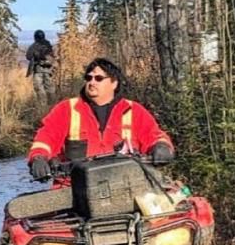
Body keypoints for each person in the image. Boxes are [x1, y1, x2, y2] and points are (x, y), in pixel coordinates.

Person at [26, 57, 174, 180]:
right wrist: (38, 158)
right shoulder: (67, 109)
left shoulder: (133, 110)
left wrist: (161, 147)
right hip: (72, 189)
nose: (92, 82)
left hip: (127, 184)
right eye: (88, 78)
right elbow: (46, 137)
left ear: (114, 83)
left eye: (99, 78)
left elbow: (155, 136)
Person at [25, 29, 55, 107]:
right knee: (50, 88)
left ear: (35, 37)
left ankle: (43, 107)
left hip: (38, 70)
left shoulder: (34, 45)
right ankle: (52, 106)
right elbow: (52, 56)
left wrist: (36, 56)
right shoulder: (48, 44)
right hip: (48, 70)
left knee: (39, 88)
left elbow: (28, 56)